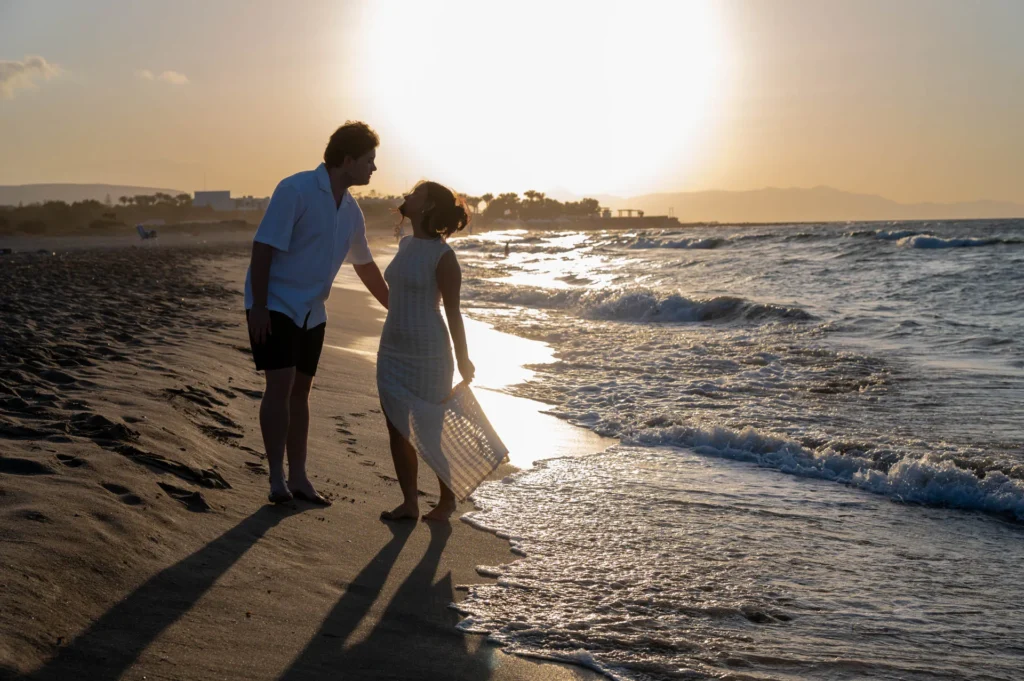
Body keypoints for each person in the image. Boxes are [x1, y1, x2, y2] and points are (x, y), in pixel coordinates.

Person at [245, 121, 389, 505]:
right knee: (280, 386)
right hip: (275, 302)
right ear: (348, 159)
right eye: (369, 160)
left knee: (301, 393)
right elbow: (263, 247)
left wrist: (395, 308)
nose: (374, 167)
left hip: (313, 310)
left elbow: (365, 264)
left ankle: (299, 478)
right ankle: (276, 479)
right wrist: (258, 307)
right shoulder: (296, 189)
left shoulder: (352, 211)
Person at [377, 181, 505, 522]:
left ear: (429, 206)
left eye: (416, 193)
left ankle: (447, 500)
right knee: (396, 427)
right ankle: (409, 503)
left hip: (429, 353)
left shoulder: (444, 256)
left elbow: (453, 312)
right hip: (391, 349)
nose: (407, 195)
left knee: (430, 431)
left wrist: (463, 358)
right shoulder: (405, 244)